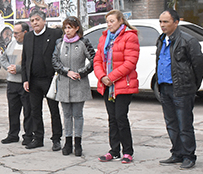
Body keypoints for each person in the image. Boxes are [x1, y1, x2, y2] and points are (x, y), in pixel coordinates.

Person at [153, 9, 203, 170]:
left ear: (176, 22)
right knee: (171, 123)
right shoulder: (162, 39)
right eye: (161, 22)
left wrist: (192, 84)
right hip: (165, 87)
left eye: (166, 22)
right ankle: (177, 152)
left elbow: (199, 64)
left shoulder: (187, 40)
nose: (162, 25)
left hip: (182, 89)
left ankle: (189, 155)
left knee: (184, 124)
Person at [94, 10, 139, 163]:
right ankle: (114, 150)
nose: (109, 24)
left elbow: (130, 62)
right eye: (108, 22)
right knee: (112, 118)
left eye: (112, 21)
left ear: (120, 21)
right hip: (107, 85)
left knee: (121, 117)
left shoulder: (130, 36)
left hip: (122, 85)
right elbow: (97, 61)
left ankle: (127, 151)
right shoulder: (104, 37)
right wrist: (102, 77)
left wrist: (111, 77)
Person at [51, 16, 95, 156]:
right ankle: (68, 141)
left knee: (78, 114)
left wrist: (80, 73)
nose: (67, 30)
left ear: (77, 28)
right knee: (66, 114)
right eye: (65, 28)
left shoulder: (83, 42)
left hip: (79, 83)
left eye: (70, 27)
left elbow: (94, 60)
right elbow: (55, 61)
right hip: (64, 83)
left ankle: (78, 143)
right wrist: (66, 72)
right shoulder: (59, 43)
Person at [21, 8, 63, 151]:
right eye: (32, 20)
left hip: (50, 80)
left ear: (44, 21)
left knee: (54, 110)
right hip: (33, 81)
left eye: (37, 20)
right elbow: (25, 59)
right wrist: (25, 79)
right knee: (35, 111)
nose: (35, 23)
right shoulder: (28, 37)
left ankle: (56, 139)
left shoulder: (55, 33)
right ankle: (38, 138)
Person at [0, 22, 31, 145]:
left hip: (24, 82)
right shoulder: (11, 44)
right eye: (13, 33)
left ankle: (28, 136)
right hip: (12, 82)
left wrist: (18, 69)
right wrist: (8, 67)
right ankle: (12, 134)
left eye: (17, 33)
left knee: (28, 111)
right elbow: (3, 58)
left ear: (25, 33)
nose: (14, 35)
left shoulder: (29, 45)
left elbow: (30, 63)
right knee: (13, 110)